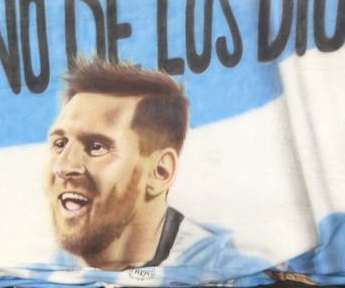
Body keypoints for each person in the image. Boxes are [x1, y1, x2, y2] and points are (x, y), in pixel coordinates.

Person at [45, 60, 261, 273]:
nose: (63, 166)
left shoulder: (230, 274)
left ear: (160, 172)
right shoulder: (38, 268)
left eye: (97, 147)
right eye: (60, 144)